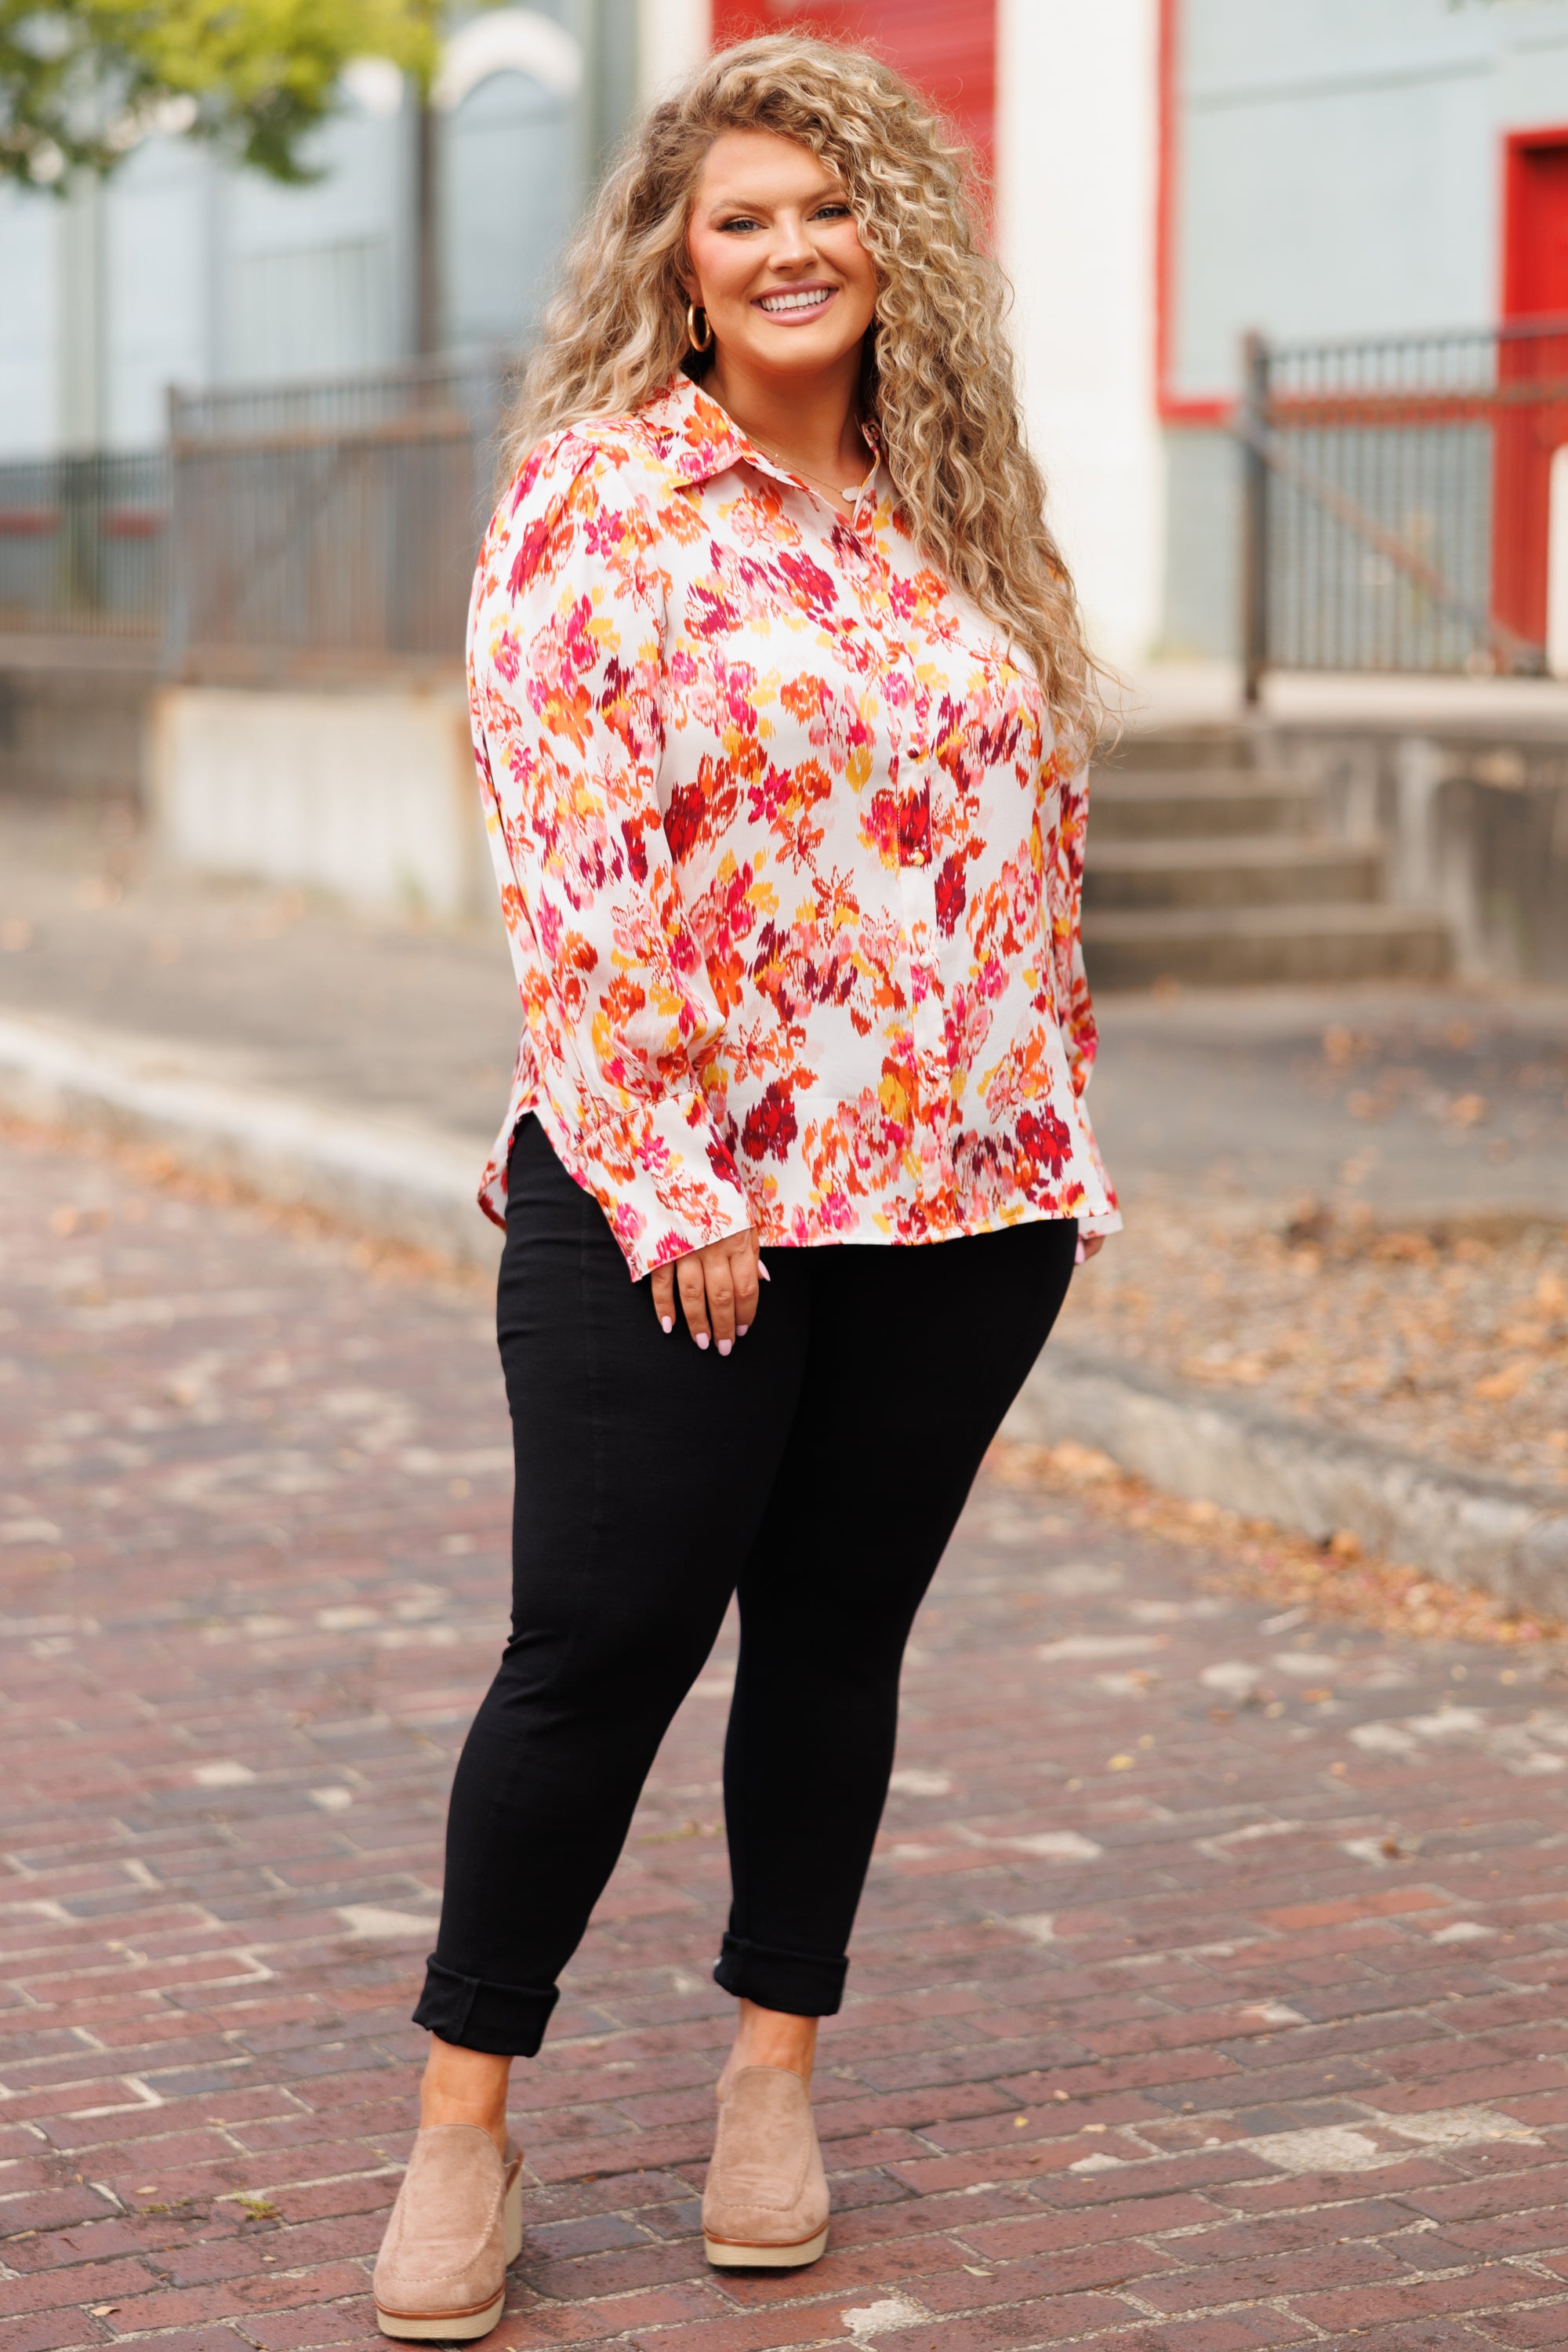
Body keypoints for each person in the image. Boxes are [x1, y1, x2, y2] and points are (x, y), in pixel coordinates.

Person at [371, 32, 1119, 2340]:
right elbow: (577, 868)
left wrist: (1055, 1130)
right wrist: (683, 1181)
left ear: (891, 243)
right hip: (672, 1203)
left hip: (964, 1204)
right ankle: (461, 2133)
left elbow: (1030, 845)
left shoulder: (955, 500)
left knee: (834, 1641)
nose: (790, 250)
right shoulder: (605, 501)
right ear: (680, 272)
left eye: (827, 209)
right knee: (598, 1648)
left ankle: (771, 2076)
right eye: (740, 220)